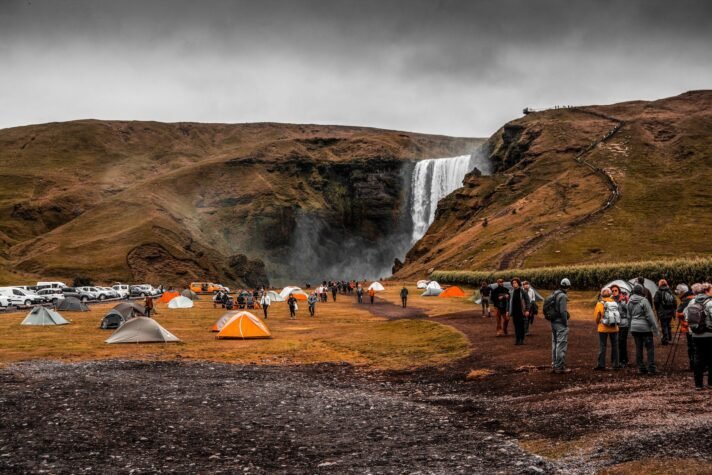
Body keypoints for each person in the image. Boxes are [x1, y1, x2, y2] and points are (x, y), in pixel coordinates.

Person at [685, 283, 712, 390]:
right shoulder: (710, 302)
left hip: (695, 335)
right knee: (711, 359)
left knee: (698, 358)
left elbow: (687, 317)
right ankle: (710, 383)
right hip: (710, 334)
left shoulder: (692, 301)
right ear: (706, 291)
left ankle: (698, 384)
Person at [629, 284, 659, 375]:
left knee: (638, 348)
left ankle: (641, 368)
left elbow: (629, 314)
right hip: (645, 328)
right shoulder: (644, 301)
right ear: (641, 291)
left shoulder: (629, 301)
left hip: (634, 327)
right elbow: (650, 316)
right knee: (649, 348)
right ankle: (651, 368)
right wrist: (655, 329)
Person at [593, 287, 620, 370]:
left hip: (603, 328)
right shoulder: (614, 303)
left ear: (601, 294)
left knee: (602, 346)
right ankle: (615, 364)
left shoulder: (600, 304)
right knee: (615, 346)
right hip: (614, 327)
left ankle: (601, 365)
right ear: (610, 294)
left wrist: (599, 323)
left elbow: (596, 317)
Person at [548, 278, 571, 373]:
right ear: (568, 287)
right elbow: (563, 311)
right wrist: (565, 323)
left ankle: (554, 364)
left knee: (555, 343)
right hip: (560, 323)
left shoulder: (554, 293)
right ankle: (559, 367)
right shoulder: (562, 296)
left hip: (553, 322)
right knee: (561, 345)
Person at [676, 284, 695, 371]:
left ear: (682, 292)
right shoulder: (694, 298)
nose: (677, 294)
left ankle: (693, 365)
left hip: (688, 327)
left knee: (691, 347)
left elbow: (679, 313)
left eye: (678, 292)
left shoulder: (686, 300)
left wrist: (683, 317)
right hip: (698, 326)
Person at [611, 285, 630, 367]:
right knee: (615, 342)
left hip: (624, 323)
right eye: (612, 290)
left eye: (616, 290)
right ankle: (616, 359)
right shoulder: (611, 300)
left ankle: (623, 360)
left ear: (619, 291)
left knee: (622, 342)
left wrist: (623, 303)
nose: (614, 292)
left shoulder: (624, 299)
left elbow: (628, 310)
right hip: (615, 324)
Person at [653, 279, 677, 345]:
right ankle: (669, 338)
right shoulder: (669, 291)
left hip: (662, 311)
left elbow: (656, 301)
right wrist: (674, 309)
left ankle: (665, 340)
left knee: (664, 325)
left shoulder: (658, 292)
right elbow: (674, 301)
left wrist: (657, 309)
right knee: (668, 325)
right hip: (670, 311)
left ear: (659, 284)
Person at [508, 278, 530, 345]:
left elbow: (527, 301)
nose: (514, 284)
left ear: (518, 283)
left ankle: (521, 339)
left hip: (521, 311)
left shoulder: (523, 291)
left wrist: (527, 310)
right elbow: (509, 302)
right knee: (516, 326)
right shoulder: (511, 292)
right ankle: (517, 339)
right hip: (514, 312)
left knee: (521, 326)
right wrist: (507, 311)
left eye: (515, 282)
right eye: (513, 283)